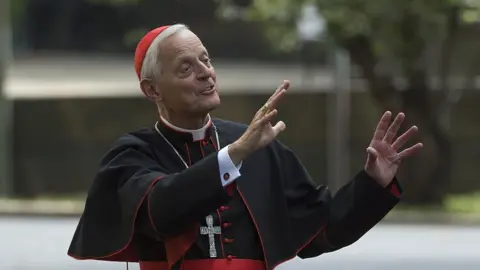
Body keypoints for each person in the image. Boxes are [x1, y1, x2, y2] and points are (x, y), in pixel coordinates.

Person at [67, 24, 423, 270]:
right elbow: (163, 209)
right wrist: (234, 155)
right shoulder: (134, 154)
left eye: (206, 60)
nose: (205, 73)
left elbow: (321, 230)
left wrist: (373, 182)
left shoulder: (258, 146)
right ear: (153, 90)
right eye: (186, 67)